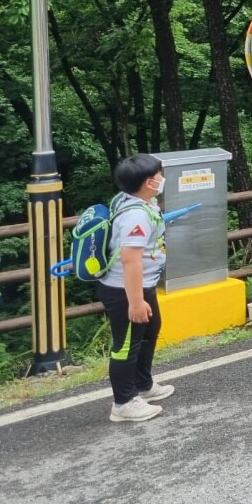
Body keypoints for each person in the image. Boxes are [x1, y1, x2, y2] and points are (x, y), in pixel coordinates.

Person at [99, 154, 173, 422]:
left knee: (150, 331)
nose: (162, 177)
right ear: (149, 182)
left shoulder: (138, 201)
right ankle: (123, 402)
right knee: (126, 345)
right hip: (126, 290)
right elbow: (130, 260)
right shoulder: (135, 216)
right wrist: (135, 302)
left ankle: (143, 385)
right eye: (159, 174)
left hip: (143, 285)